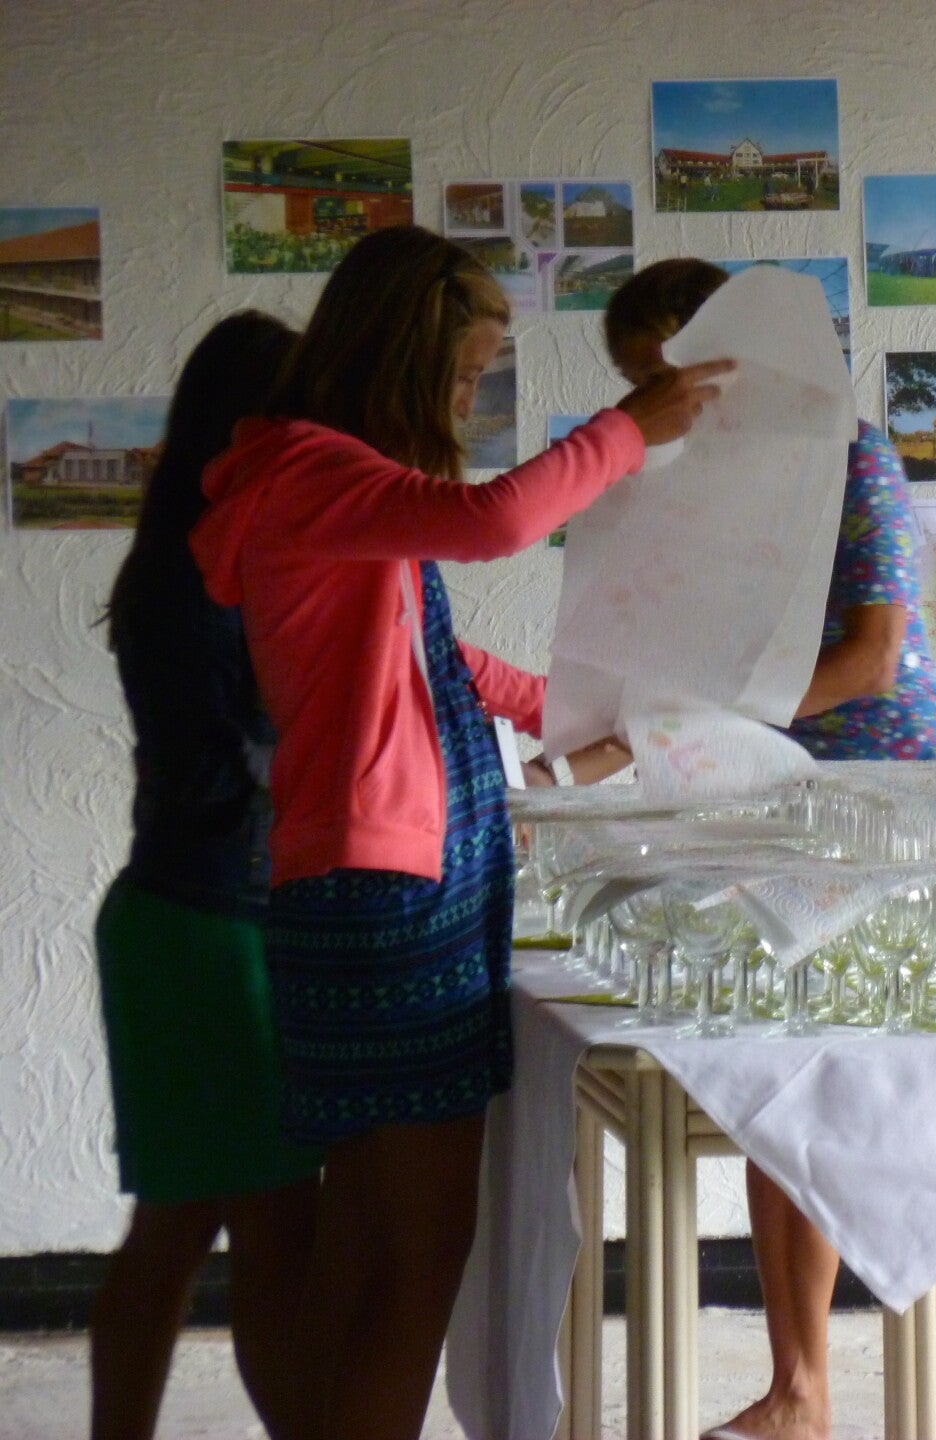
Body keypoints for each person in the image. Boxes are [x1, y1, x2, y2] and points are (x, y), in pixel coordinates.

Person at [188, 226, 731, 1440]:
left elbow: (428, 654)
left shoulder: (320, 486)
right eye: (466, 375)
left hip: (355, 884)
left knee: (363, 1244)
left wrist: (581, 711)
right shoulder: (315, 472)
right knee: (419, 1257)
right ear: (402, 359)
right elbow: (495, 522)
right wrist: (631, 425)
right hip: (389, 893)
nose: (470, 402)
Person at [604, 258, 936, 1440]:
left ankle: (803, 1390)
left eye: (670, 379)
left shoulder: (852, 456)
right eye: (640, 387)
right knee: (778, 1080)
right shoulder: (700, 483)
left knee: (809, 1078)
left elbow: (870, 661)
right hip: (782, 790)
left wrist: (702, 726)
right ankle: (799, 1390)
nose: (663, 410)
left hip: (896, 794)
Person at [90, 312, 321, 1440]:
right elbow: (226, 771)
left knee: (200, 1227)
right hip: (205, 925)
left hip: (204, 918)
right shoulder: (196, 577)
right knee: (250, 1226)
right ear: (249, 427)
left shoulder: (209, 559)